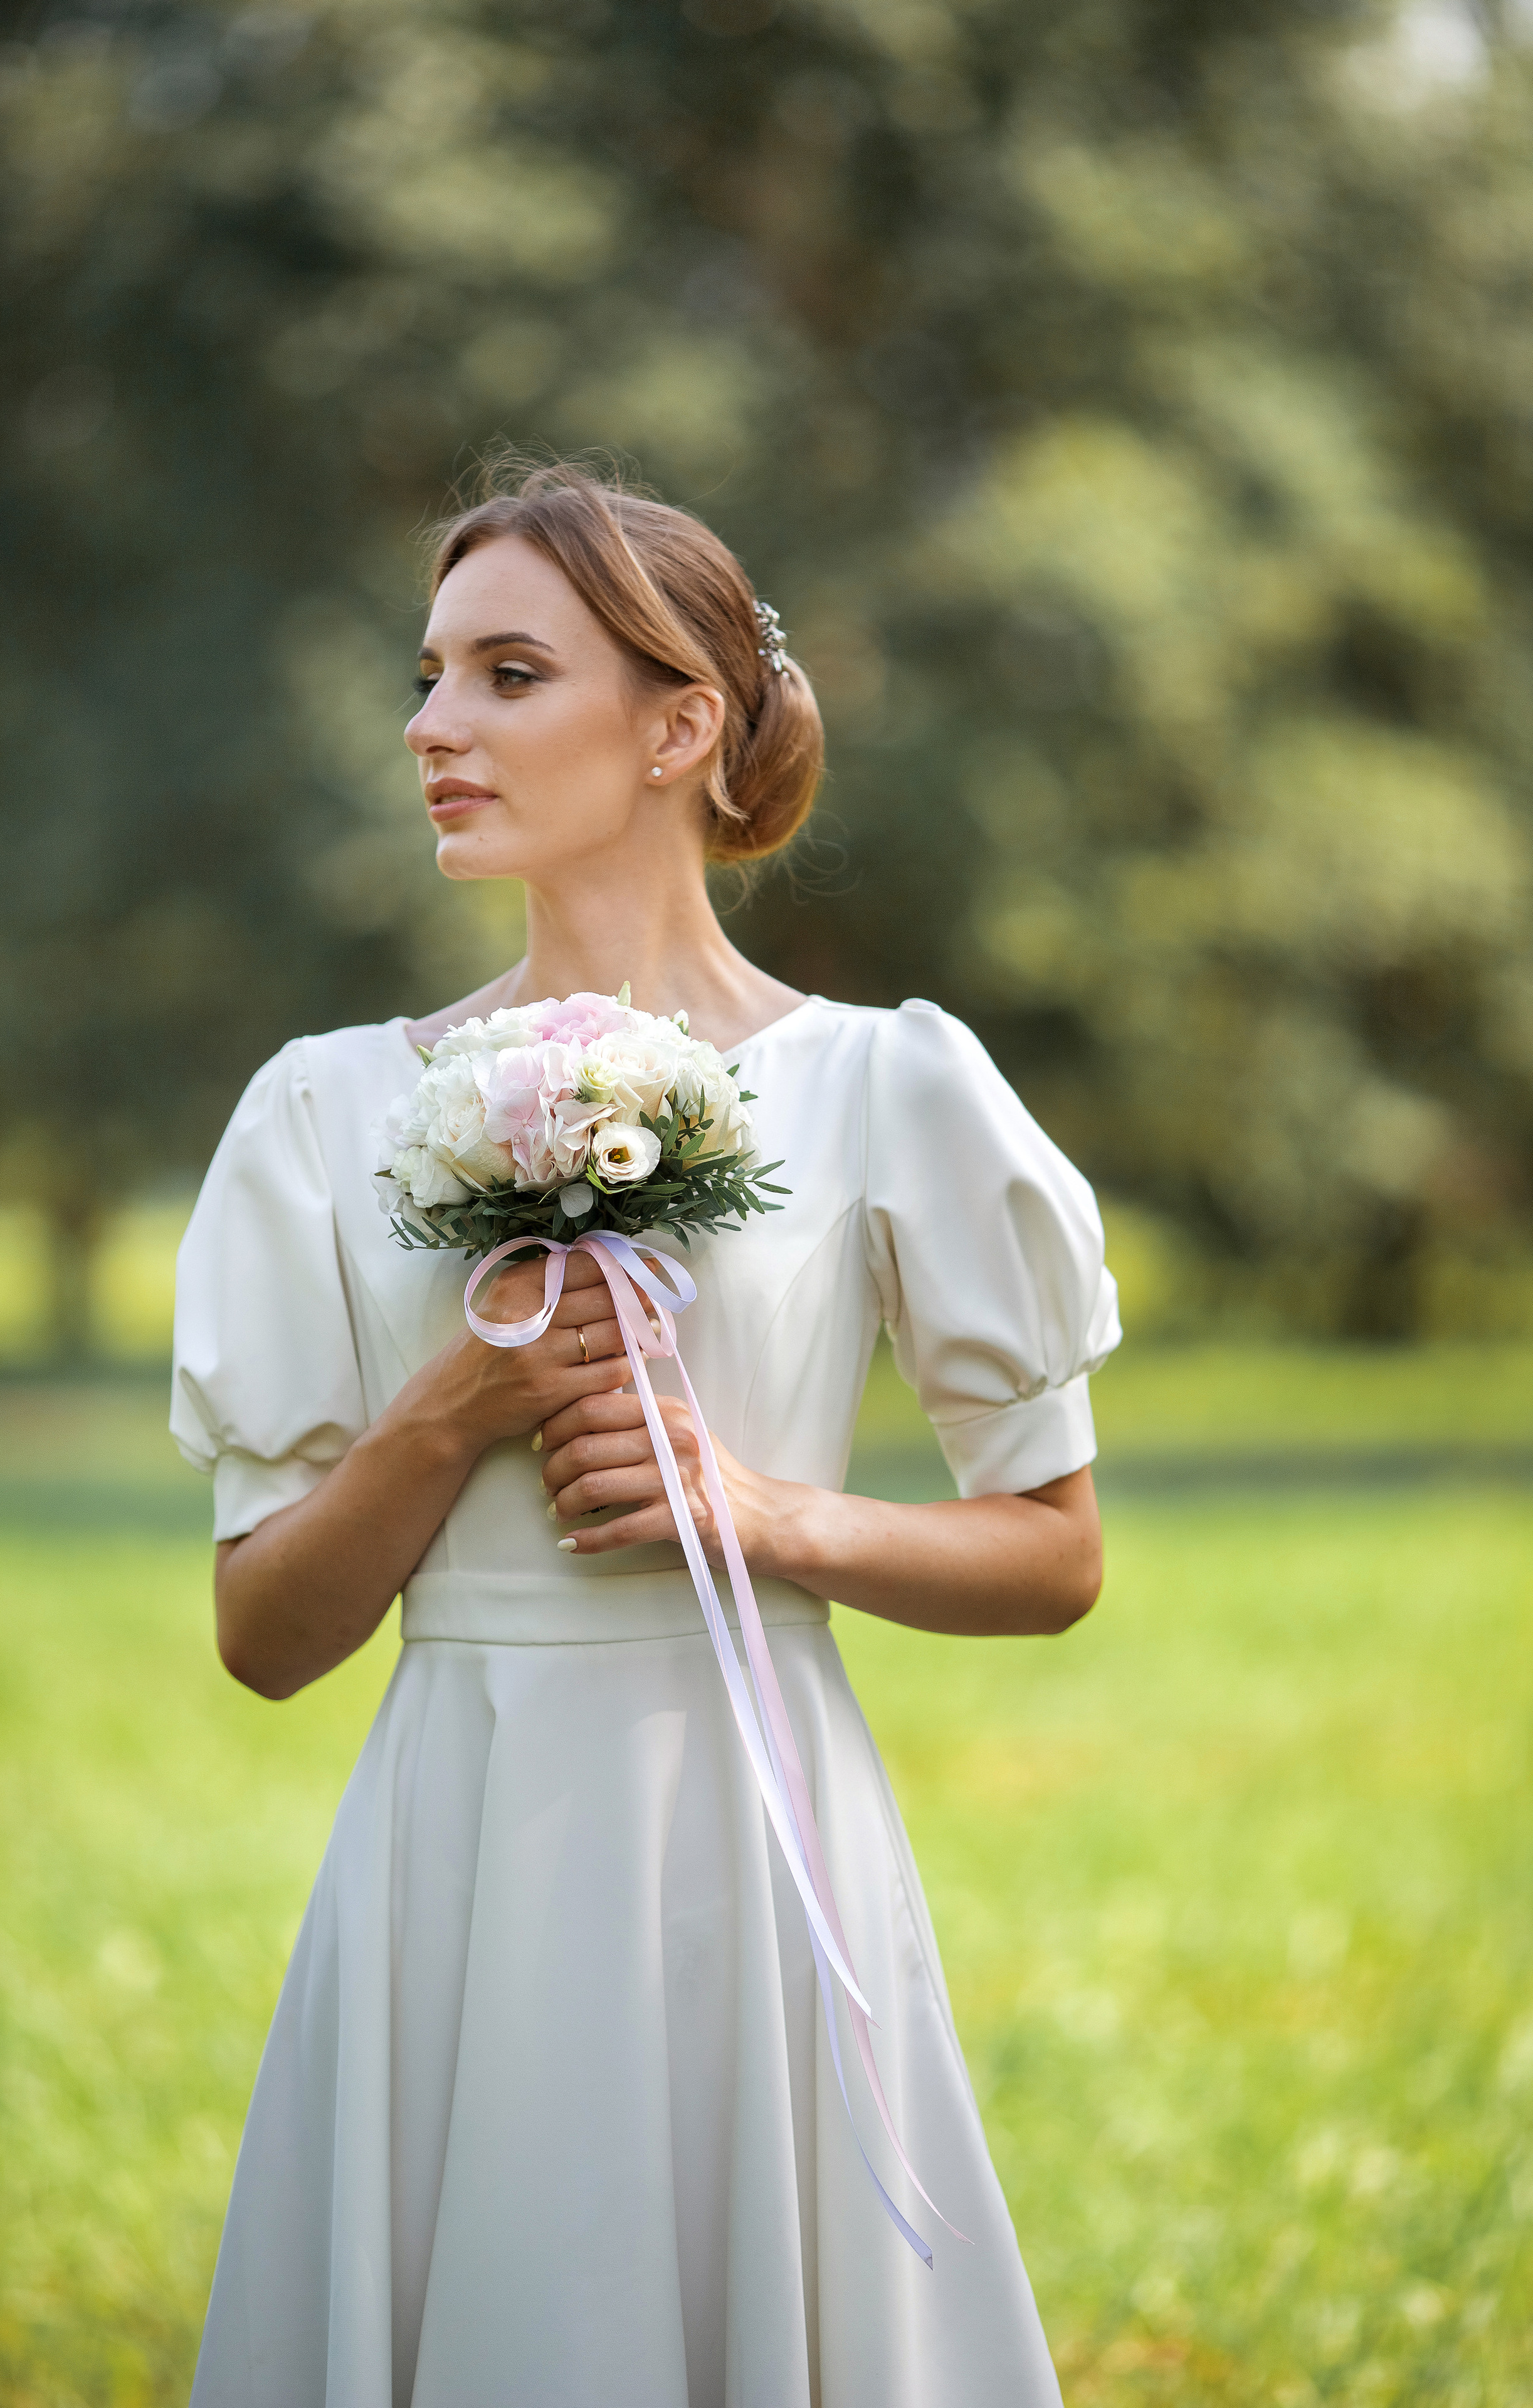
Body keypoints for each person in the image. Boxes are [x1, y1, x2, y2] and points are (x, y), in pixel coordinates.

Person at [172, 460, 1121, 2407]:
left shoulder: (890, 1087)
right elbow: (268, 1638)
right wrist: (454, 1410)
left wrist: (761, 1509)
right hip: (458, 1828)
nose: (435, 728)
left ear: (681, 721)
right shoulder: (325, 1115)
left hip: (753, 1847)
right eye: (428, 678)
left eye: (508, 674)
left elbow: (1053, 1555)